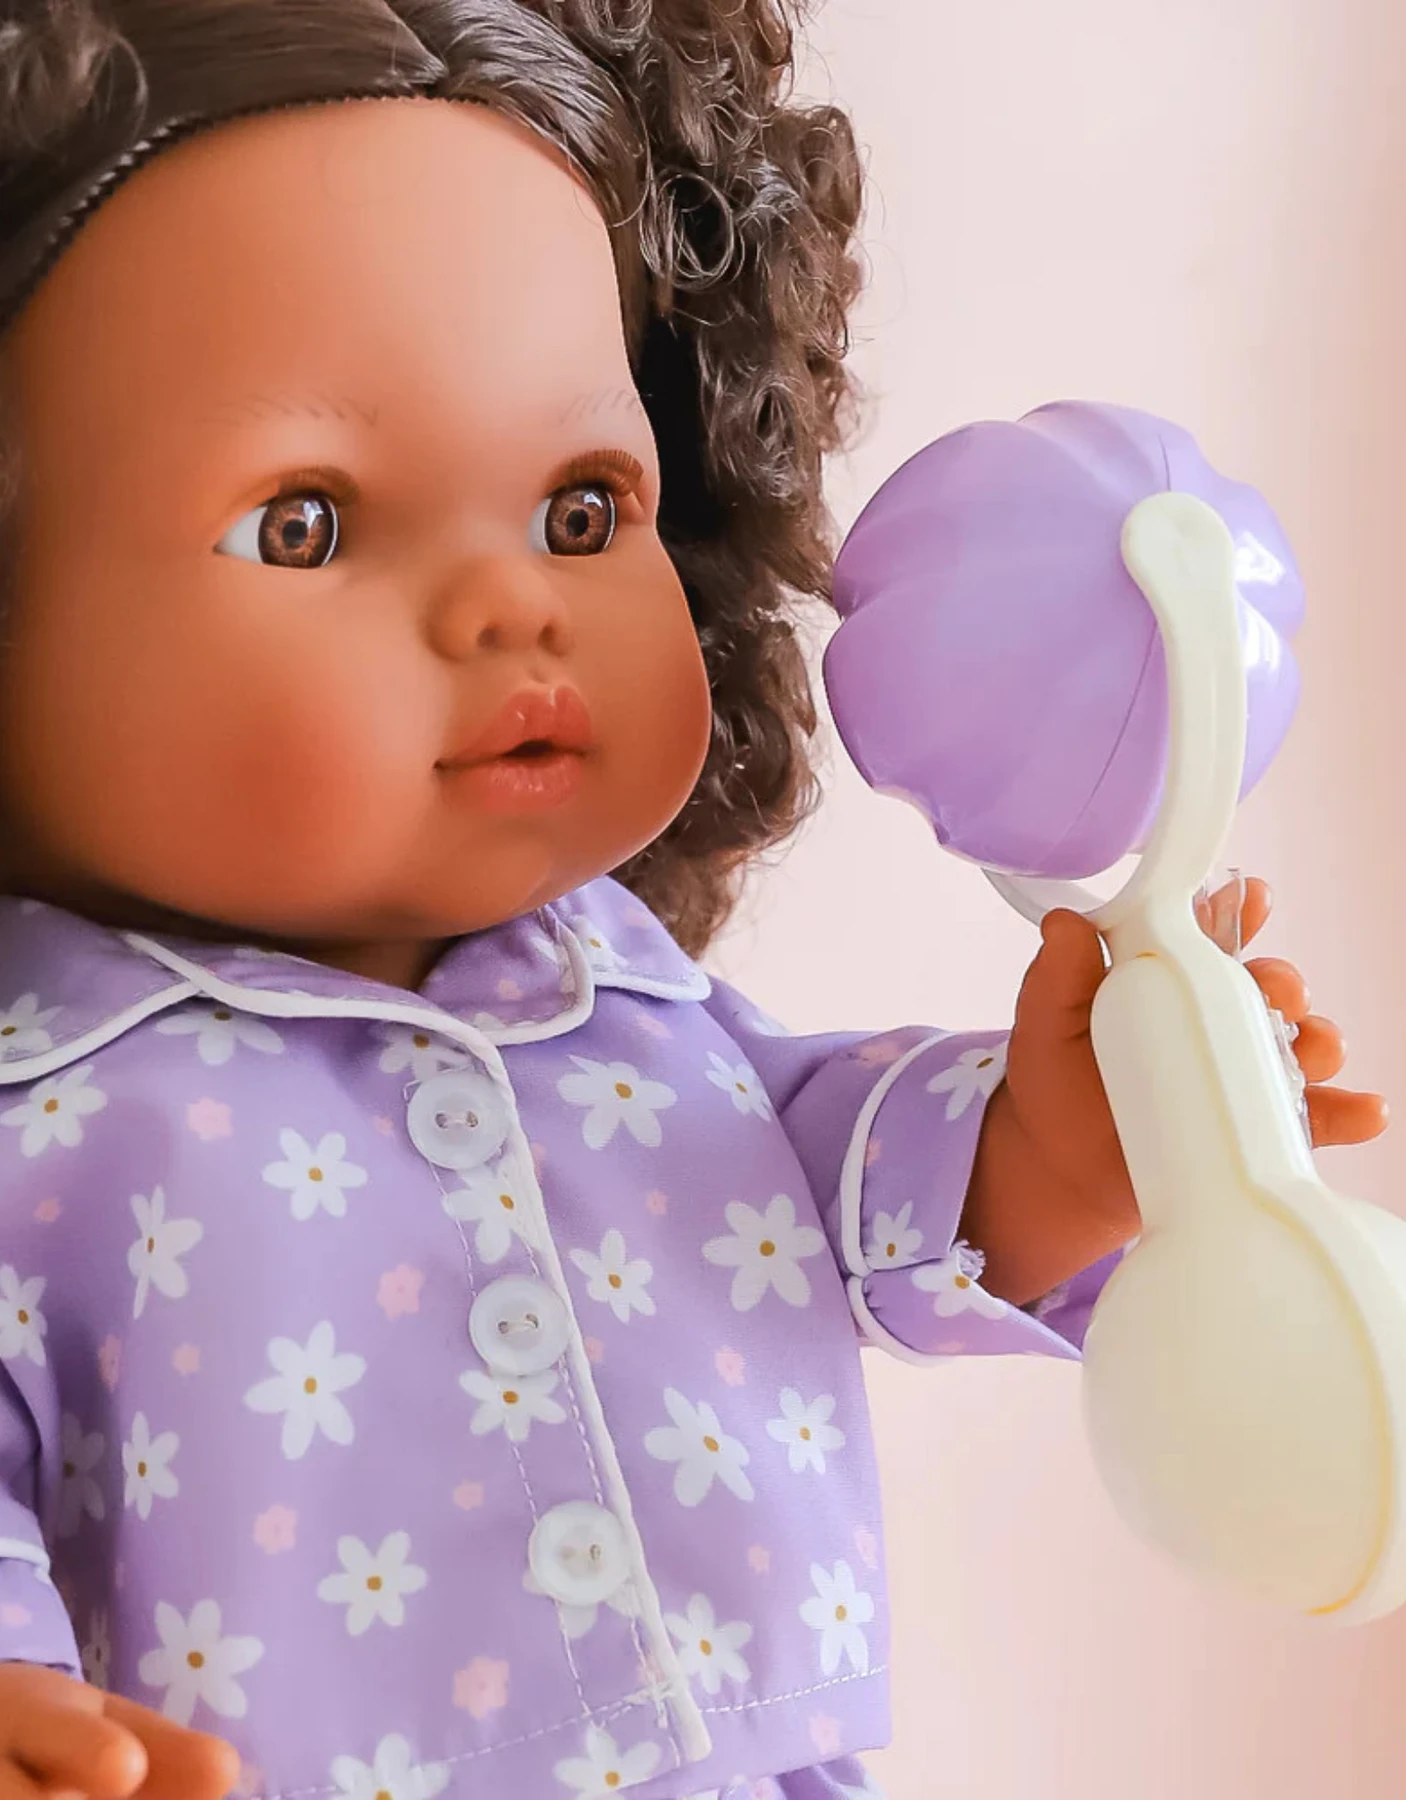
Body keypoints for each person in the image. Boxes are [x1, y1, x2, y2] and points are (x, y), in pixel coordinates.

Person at [0, 3, 1385, 1797]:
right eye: (306, 524)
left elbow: (802, 1177)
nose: (512, 605)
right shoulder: (45, 1120)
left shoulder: (630, 1010)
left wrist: (1054, 1144)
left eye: (582, 509)